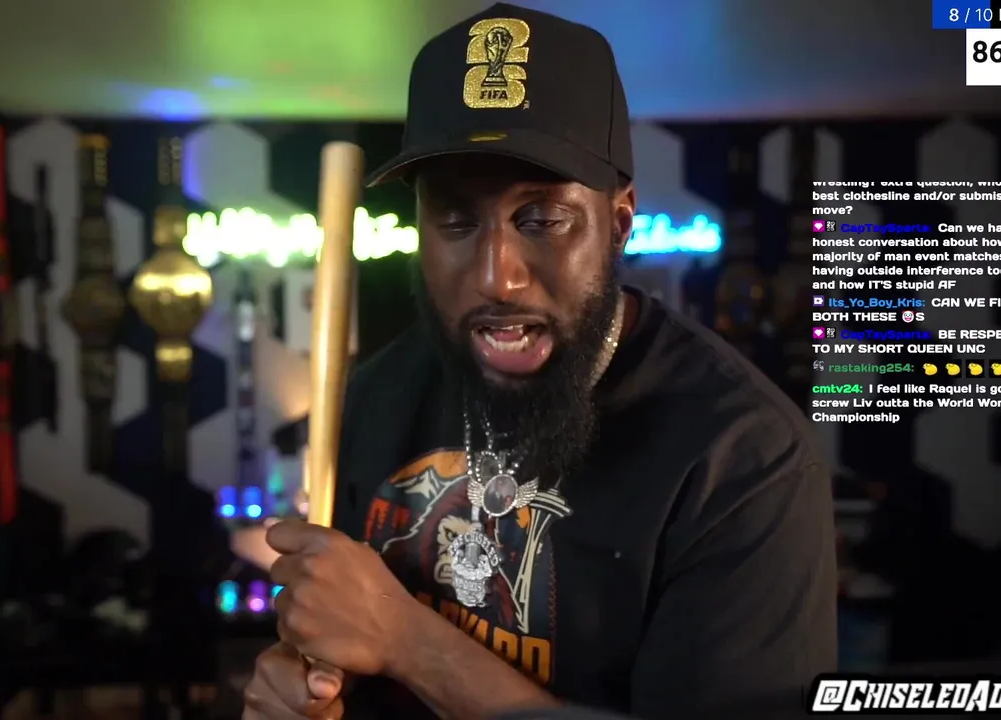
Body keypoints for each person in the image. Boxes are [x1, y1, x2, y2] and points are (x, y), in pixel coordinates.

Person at [242, 3, 837, 719]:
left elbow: (388, 634)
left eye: (543, 219)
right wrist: (300, 692)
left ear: (618, 223)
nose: (498, 276)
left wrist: (410, 642)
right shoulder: (373, 398)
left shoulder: (744, 460)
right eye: (456, 220)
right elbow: (339, 655)